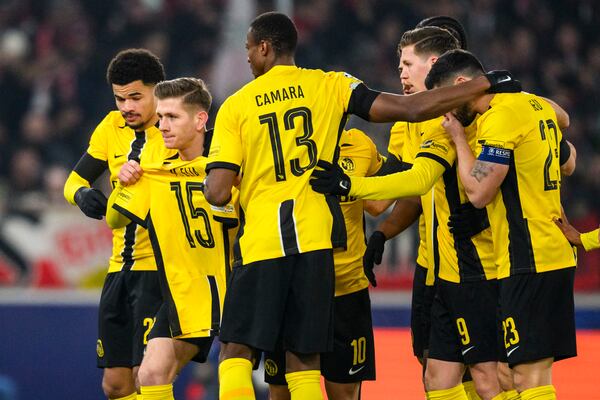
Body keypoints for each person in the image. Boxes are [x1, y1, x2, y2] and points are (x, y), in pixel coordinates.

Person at [203, 11, 519, 400]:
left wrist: (214, 179)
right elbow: (409, 111)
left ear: (264, 48)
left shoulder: (237, 105)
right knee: (305, 363)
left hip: (264, 245)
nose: (248, 59)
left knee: (235, 351)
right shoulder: (332, 84)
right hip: (318, 248)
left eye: (249, 50)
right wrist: (483, 83)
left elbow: (217, 192)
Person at [310, 26, 504, 400]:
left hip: (481, 263)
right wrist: (383, 233)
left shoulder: (473, 116)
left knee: (491, 375)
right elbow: (411, 193)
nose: (400, 72)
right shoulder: (406, 125)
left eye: (407, 63)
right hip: (432, 268)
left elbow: (523, 169)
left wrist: (351, 185)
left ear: (433, 64)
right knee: (434, 373)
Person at [427, 49, 577, 400]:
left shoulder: (500, 117)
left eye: (447, 98)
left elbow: (478, 191)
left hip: (528, 258)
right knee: (525, 374)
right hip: (553, 254)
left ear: (463, 85)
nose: (446, 109)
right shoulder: (533, 105)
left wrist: (460, 140)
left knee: (527, 378)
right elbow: (568, 143)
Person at [105, 77, 239, 400]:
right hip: (179, 292)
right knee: (149, 374)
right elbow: (114, 219)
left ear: (200, 120)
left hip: (225, 287)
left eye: (172, 117)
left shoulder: (229, 165)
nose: (162, 126)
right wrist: (123, 184)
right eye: (160, 117)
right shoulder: (151, 167)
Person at [63, 49, 166, 400]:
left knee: (146, 374)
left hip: (159, 270)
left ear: (159, 90)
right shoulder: (112, 127)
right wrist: (81, 196)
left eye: (135, 97)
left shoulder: (175, 127)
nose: (126, 107)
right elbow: (74, 180)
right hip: (118, 269)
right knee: (116, 385)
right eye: (120, 98)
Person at [265, 128, 383, 400]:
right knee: (283, 392)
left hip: (346, 287)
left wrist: (382, 231)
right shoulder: (281, 140)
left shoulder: (359, 141)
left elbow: (376, 203)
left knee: (343, 392)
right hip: (291, 288)